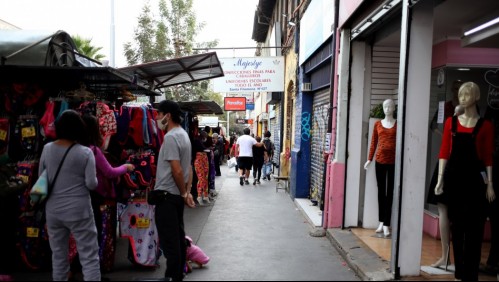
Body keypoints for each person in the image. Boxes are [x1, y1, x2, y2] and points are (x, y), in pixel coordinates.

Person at [434, 82, 495, 280]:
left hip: (476, 182)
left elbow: (487, 157)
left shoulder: (486, 126)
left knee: (475, 227)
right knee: (457, 227)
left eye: (467, 94)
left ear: (476, 97)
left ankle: (471, 273)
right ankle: (460, 271)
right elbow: (444, 152)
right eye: (461, 94)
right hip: (454, 179)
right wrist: (440, 180)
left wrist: (491, 184)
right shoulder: (451, 123)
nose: (463, 98)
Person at [40, 110, 101, 281]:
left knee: (58, 257)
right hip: (79, 210)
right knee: (89, 257)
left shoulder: (47, 149)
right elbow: (91, 184)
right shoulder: (85, 152)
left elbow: (42, 179)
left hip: (53, 210)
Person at [70, 114, 134, 274]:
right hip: (97, 198)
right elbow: (109, 172)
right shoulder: (93, 151)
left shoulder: (73, 150)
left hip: (76, 198)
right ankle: (95, 271)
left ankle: (76, 269)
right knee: (96, 235)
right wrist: (125, 167)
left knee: (81, 237)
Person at [153, 100, 195, 281]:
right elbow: (189, 168)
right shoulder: (183, 134)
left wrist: (185, 192)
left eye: (158, 114)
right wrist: (186, 191)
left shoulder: (170, 137)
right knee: (177, 240)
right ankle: (178, 275)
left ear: (167, 115)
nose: (156, 118)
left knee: (170, 244)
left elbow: (177, 169)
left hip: (167, 198)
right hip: (175, 197)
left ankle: (173, 277)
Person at [427, 80, 463, 268]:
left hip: (461, 165)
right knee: (443, 209)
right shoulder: (447, 108)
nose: (458, 92)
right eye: (456, 88)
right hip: (446, 161)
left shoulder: (470, 115)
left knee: (457, 213)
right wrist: (444, 136)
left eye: (460, 89)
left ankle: (458, 258)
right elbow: (433, 124)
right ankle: (445, 255)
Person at [364, 99, 397, 238]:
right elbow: (373, 142)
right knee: (381, 192)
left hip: (393, 162)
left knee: (390, 193)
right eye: (385, 106)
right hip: (380, 162)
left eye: (390, 106)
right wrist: (369, 159)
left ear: (394, 108)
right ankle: (381, 221)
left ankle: (386, 224)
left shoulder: (398, 124)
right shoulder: (378, 124)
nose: (387, 109)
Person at [192, 131, 210, 205]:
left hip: (203, 160)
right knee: (201, 178)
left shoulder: (199, 142)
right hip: (200, 160)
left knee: (204, 178)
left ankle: (204, 195)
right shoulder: (197, 142)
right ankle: (200, 196)